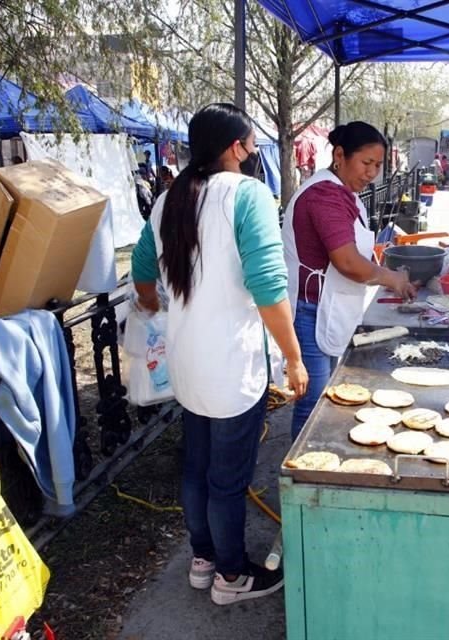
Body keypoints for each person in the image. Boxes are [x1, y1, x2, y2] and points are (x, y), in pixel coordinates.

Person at [130, 103, 309, 605]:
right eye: (252, 145)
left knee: (197, 469)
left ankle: (203, 558)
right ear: (237, 147)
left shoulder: (169, 199)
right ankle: (231, 575)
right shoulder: (248, 195)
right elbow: (269, 287)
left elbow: (143, 268)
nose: (254, 155)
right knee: (227, 479)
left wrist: (154, 304)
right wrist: (293, 358)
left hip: (187, 363)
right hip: (231, 369)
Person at [282, 121, 417, 438]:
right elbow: (346, 261)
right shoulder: (323, 196)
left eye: (378, 165)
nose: (372, 173)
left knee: (327, 396)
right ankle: (303, 479)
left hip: (327, 307)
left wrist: (387, 276)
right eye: (366, 163)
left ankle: (317, 458)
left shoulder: (343, 194)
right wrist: (391, 279)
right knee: (312, 404)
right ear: (339, 155)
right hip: (309, 311)